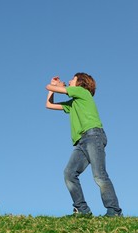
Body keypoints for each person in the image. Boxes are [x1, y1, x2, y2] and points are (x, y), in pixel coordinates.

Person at [45, 73, 122, 217]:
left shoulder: (82, 92)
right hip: (81, 141)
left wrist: (54, 86)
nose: (68, 81)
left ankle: (114, 211)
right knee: (69, 173)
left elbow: (49, 86)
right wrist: (53, 89)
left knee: (99, 175)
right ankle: (82, 210)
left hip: (93, 136)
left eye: (72, 79)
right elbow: (49, 105)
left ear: (80, 83)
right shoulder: (74, 102)